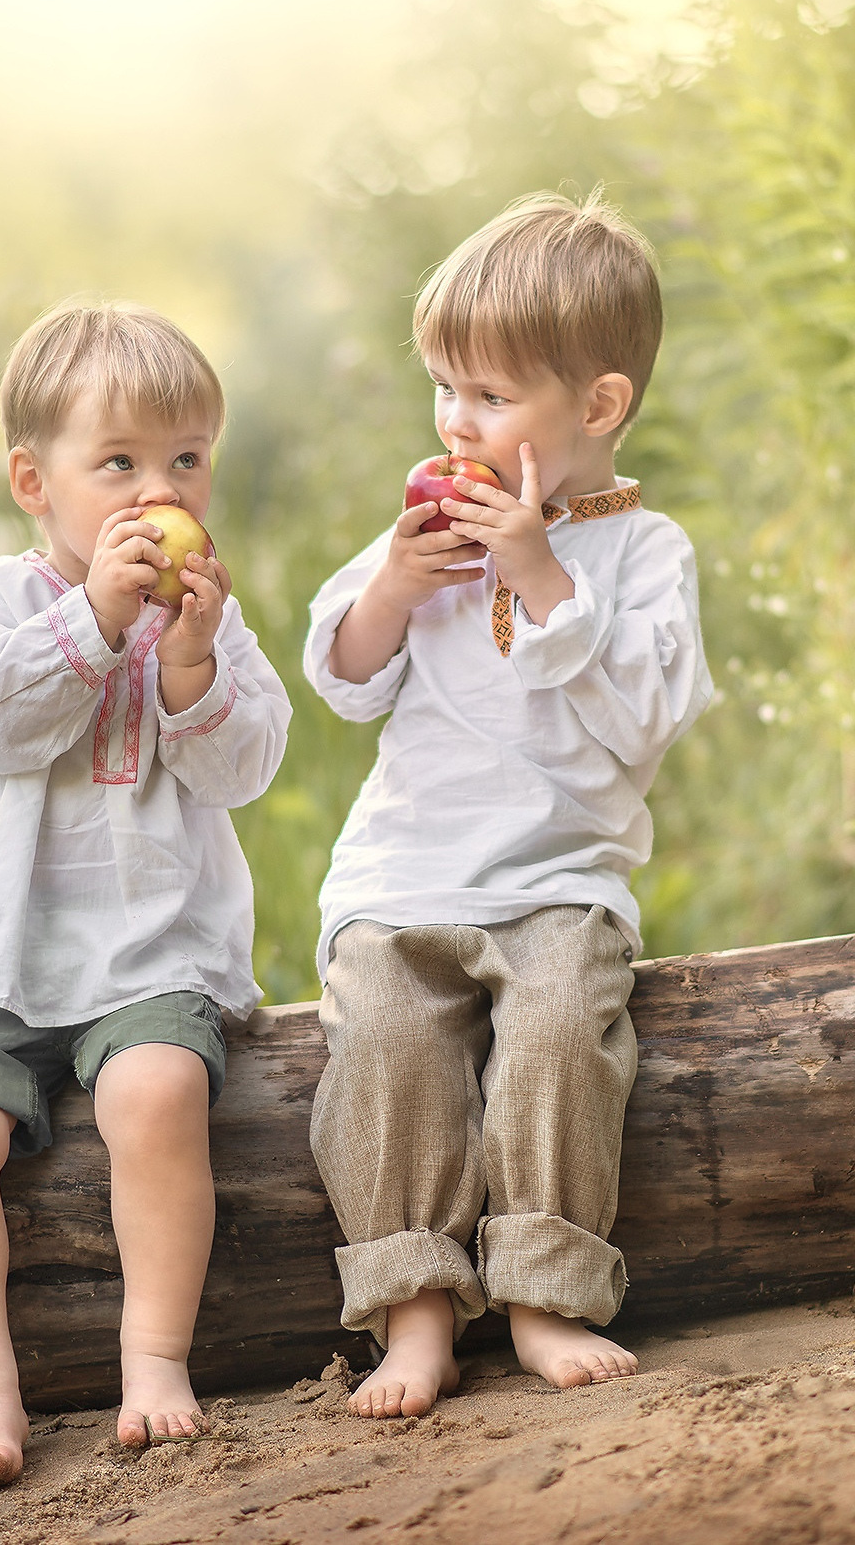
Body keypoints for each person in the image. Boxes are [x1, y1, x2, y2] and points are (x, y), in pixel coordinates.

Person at [302, 191, 714, 1419]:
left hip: (558, 883)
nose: (456, 421)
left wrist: (538, 570)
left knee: (555, 1036)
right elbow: (343, 679)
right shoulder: (425, 533)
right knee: (381, 1036)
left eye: (490, 397)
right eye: (444, 389)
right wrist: (392, 581)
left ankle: (543, 1288)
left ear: (596, 407)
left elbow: (645, 716)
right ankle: (413, 1306)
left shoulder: (646, 553)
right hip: (401, 877)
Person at [0, 297, 290, 1491]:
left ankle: (155, 1357)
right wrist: (96, 620)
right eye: (117, 462)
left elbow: (247, 765)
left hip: (145, 950)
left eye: (184, 460)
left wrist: (191, 664)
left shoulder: (206, 617)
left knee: (160, 1091)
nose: (154, 488)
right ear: (33, 481)